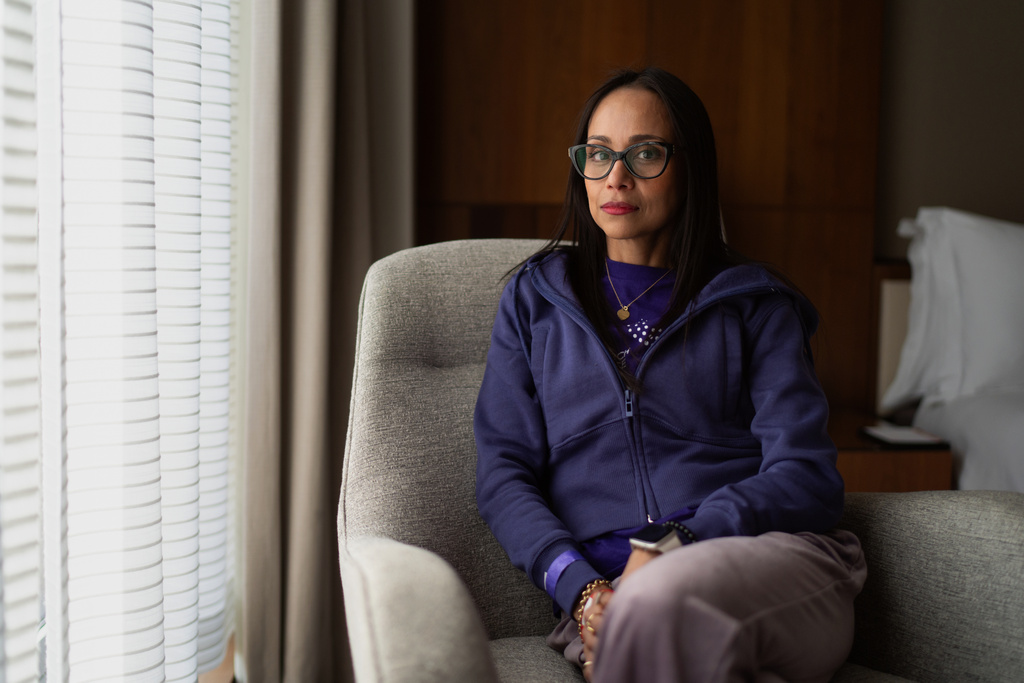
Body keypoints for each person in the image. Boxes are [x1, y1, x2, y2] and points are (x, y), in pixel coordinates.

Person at [473, 67, 866, 683]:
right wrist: (581, 592)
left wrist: (671, 544)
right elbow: (502, 476)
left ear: (692, 167)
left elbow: (806, 475)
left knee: (655, 610)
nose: (616, 177)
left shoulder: (755, 304)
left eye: (646, 153)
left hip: (769, 566)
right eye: (598, 155)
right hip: (605, 605)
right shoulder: (534, 301)